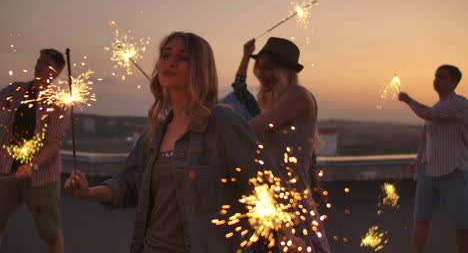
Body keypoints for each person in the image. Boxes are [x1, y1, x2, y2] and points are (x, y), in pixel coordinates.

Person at [64, 32, 293, 253]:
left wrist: (286, 235)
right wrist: (90, 192)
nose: (170, 62)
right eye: (166, 55)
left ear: (200, 68)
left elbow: (267, 184)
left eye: (182, 57)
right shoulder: (154, 134)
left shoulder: (223, 123)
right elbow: (129, 184)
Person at [233, 37, 330, 253]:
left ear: (285, 70)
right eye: (258, 67)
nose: (260, 73)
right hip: (268, 201)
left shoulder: (298, 96)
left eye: (267, 68)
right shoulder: (270, 101)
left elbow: (248, 130)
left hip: (290, 204)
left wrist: (218, 122)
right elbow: (240, 90)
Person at [0, 49, 69, 253]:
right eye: (39, 60)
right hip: (6, 170)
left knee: (50, 231)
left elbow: (54, 144)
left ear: (56, 72)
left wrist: (33, 164)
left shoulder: (57, 103)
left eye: (46, 63)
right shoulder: (15, 90)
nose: (39, 65)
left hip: (41, 178)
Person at [398, 64, 468, 253]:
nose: (437, 80)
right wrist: (419, 160)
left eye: (442, 77)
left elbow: (428, 114)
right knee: (420, 219)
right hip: (428, 171)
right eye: (436, 76)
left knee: (462, 224)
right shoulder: (439, 105)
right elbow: (426, 139)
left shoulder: (459, 104)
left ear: (454, 82)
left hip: (452, 170)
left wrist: (407, 99)